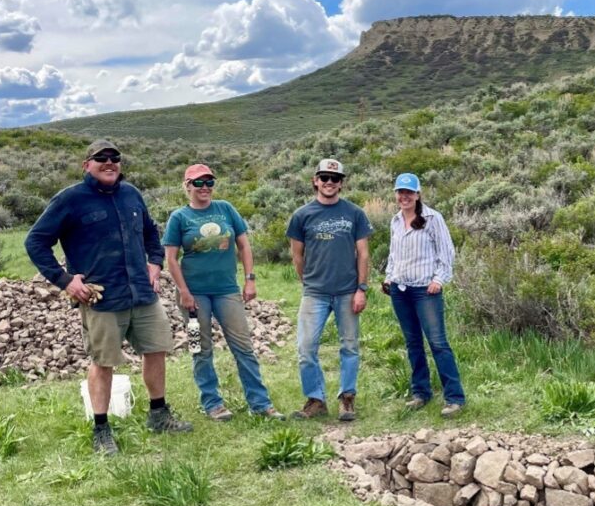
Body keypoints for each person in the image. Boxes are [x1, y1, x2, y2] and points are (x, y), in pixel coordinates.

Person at [26, 139, 192, 454]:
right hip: (101, 297)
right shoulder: (70, 200)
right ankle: (101, 430)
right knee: (103, 362)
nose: (109, 162)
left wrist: (155, 262)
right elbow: (35, 241)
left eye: (115, 157)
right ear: (86, 164)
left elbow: (149, 232)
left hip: (141, 292)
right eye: (101, 158)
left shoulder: (132, 194)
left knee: (156, 349)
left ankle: (159, 414)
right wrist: (65, 281)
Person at [163, 164, 284, 422]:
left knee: (244, 347)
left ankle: (260, 403)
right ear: (187, 186)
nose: (204, 187)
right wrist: (184, 292)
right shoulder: (179, 217)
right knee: (200, 348)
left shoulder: (226, 209)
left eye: (209, 182)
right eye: (198, 183)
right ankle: (212, 403)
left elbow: (243, 244)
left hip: (226, 290)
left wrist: (250, 279)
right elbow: (171, 259)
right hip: (193, 295)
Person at [286, 158, 372, 421]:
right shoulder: (302, 215)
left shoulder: (355, 213)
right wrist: (309, 281)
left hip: (348, 291)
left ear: (341, 183)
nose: (329, 183)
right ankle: (315, 399)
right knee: (306, 347)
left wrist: (361, 288)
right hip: (315, 292)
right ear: (315, 181)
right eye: (324, 178)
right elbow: (297, 255)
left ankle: (347, 398)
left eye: (335, 179)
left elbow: (363, 254)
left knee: (349, 346)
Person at [382, 173, 466, 417]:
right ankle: (421, 392)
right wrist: (389, 276)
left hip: (425, 290)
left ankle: (455, 398)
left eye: (409, 192)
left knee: (438, 343)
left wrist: (439, 279)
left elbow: (446, 251)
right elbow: (393, 254)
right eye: (400, 192)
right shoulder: (395, 221)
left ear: (418, 194)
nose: (404, 196)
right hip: (400, 288)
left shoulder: (432, 218)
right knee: (413, 343)